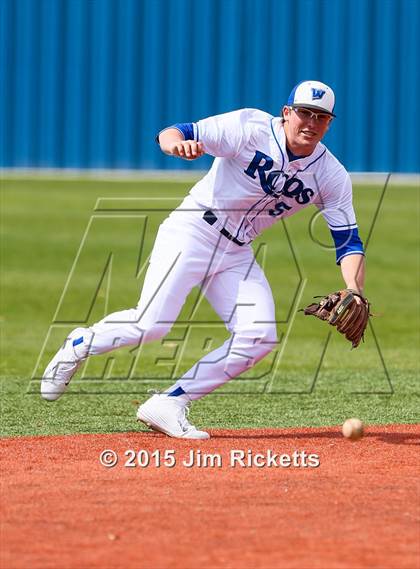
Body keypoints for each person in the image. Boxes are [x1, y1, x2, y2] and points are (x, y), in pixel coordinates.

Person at [41, 80, 365, 440]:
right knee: (151, 324)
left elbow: (348, 240)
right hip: (193, 230)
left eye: (320, 117)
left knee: (258, 336)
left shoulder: (331, 175)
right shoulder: (249, 127)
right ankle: (78, 345)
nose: (311, 122)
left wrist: (354, 288)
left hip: (236, 251)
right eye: (304, 113)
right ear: (287, 113)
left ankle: (168, 404)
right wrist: (175, 145)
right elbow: (177, 131)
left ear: (329, 123)